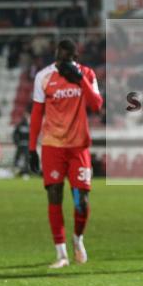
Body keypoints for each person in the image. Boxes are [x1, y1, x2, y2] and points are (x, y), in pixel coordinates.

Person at [29, 39, 104, 268]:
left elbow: (97, 105)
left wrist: (79, 80)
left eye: (67, 57)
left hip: (78, 147)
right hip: (52, 146)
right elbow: (36, 114)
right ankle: (61, 253)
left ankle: (77, 238)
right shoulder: (43, 77)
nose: (62, 61)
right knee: (54, 196)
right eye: (59, 57)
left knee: (81, 201)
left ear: (75, 58)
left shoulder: (87, 74)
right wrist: (32, 148)